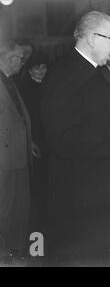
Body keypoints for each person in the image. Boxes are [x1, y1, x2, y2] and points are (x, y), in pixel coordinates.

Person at [40, 11, 110, 264]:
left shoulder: (88, 69)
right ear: (93, 38)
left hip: (97, 197)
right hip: (83, 203)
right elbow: (62, 138)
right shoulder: (65, 73)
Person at [0, 41, 32, 261]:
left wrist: (30, 142)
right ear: (10, 58)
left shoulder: (10, 82)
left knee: (17, 205)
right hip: (5, 159)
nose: (22, 63)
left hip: (18, 156)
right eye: (20, 58)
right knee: (6, 206)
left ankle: (16, 246)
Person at [17, 51, 49, 232]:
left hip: (48, 138)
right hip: (33, 140)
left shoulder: (48, 84)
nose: (41, 71)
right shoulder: (24, 87)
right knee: (36, 182)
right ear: (30, 69)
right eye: (37, 67)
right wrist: (31, 140)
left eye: (44, 67)